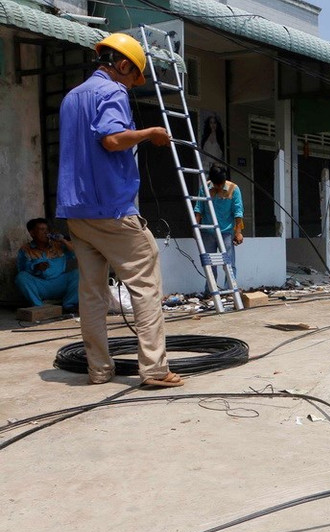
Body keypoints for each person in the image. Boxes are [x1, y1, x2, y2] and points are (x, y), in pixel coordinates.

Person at [56, 33, 183, 388]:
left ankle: (99, 369)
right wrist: (149, 133)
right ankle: (155, 370)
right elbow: (112, 140)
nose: (130, 85)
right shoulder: (113, 91)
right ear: (123, 65)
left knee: (92, 293)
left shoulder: (71, 97)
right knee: (146, 283)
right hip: (110, 207)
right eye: (132, 77)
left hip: (76, 210)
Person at [194, 163, 244, 296]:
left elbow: (238, 212)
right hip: (208, 232)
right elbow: (199, 208)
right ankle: (210, 291)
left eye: (221, 185)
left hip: (226, 232)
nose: (219, 187)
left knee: (229, 264)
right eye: (216, 185)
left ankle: (230, 291)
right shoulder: (205, 188)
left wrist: (238, 232)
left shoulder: (234, 189)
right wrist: (196, 228)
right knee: (209, 264)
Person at [15, 218, 80, 312]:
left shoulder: (58, 245)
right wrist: (36, 267)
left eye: (47, 230)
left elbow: (78, 252)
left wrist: (63, 241)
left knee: (78, 274)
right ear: (32, 233)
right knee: (21, 277)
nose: (46, 232)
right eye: (42, 230)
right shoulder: (25, 249)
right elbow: (22, 269)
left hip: (59, 283)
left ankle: (69, 305)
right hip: (41, 286)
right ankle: (39, 307)